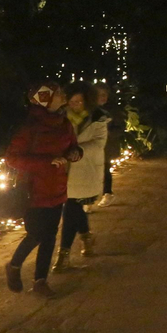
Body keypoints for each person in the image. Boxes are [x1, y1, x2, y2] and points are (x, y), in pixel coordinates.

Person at [4, 82, 81, 296]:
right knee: (36, 234)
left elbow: (72, 145)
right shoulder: (30, 127)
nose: (63, 95)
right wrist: (46, 162)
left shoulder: (64, 122)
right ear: (45, 100)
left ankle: (40, 281)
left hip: (57, 187)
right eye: (57, 93)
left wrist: (75, 153)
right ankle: (14, 265)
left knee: (50, 235)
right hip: (34, 190)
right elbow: (12, 158)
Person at [58, 83, 108, 271]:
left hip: (85, 168)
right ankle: (86, 236)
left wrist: (78, 150)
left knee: (71, 207)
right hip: (64, 169)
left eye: (79, 102)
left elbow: (99, 143)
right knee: (74, 205)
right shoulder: (60, 117)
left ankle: (63, 254)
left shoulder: (98, 117)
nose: (75, 105)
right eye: (71, 102)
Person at [93, 82, 122, 206]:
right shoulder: (89, 109)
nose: (101, 97)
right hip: (93, 145)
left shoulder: (112, 110)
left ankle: (107, 193)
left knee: (105, 169)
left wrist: (109, 133)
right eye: (98, 94)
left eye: (104, 95)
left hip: (107, 145)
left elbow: (119, 127)